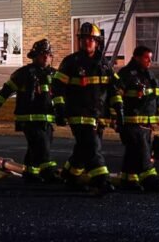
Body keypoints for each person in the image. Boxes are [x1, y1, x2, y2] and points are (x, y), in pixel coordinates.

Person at [52, 22, 122, 194]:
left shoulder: (104, 64)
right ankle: (101, 180)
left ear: (97, 42)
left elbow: (113, 89)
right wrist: (60, 109)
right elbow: (58, 87)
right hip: (78, 115)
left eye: (91, 39)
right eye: (83, 39)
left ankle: (70, 174)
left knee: (84, 148)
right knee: (92, 147)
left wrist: (118, 109)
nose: (87, 42)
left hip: (98, 117)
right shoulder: (71, 62)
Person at [0, 39, 60, 183]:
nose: (46, 57)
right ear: (35, 56)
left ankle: (30, 172)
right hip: (28, 119)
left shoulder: (54, 74)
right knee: (42, 146)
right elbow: (7, 88)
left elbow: (61, 94)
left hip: (47, 118)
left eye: (48, 54)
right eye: (43, 54)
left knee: (37, 146)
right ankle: (49, 172)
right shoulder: (24, 73)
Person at [116, 45, 159, 191]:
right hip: (131, 123)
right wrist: (116, 118)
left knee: (133, 151)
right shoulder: (126, 74)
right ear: (136, 57)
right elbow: (116, 96)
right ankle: (149, 176)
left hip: (147, 124)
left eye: (151, 58)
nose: (149, 61)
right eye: (146, 58)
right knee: (142, 150)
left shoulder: (150, 76)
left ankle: (128, 179)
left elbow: (156, 97)